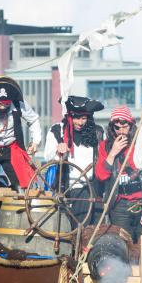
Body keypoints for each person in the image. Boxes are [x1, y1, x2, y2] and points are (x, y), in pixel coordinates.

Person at [95, 105, 142, 242]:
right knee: (122, 246)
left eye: (125, 126)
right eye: (117, 128)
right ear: (112, 128)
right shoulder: (106, 146)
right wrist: (112, 153)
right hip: (119, 206)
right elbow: (101, 175)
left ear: (131, 125)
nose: (121, 131)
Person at [43, 95, 105, 224]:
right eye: (77, 117)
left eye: (84, 118)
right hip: (65, 187)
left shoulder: (98, 132)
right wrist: (58, 152)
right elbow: (47, 157)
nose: (80, 122)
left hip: (91, 187)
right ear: (69, 116)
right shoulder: (57, 130)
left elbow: (102, 158)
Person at [0, 76, 41, 190]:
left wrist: (35, 142)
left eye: (7, 104)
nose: (3, 107)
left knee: (21, 184)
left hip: (11, 148)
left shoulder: (19, 105)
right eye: (0, 104)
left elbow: (33, 119)